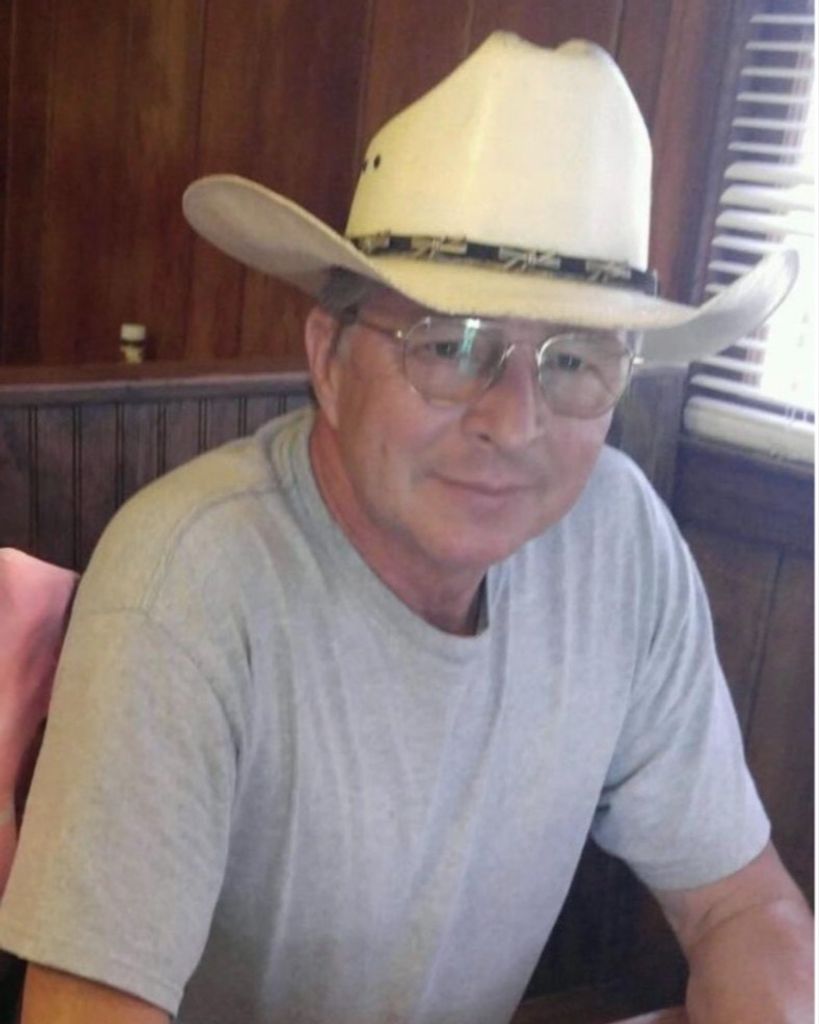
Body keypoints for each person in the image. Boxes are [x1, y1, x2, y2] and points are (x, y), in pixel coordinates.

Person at [0, 32, 811, 1024]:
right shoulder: (187, 580)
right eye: (450, 346)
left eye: (573, 360)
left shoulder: (619, 539)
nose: (514, 422)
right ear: (329, 360)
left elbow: (744, 905)